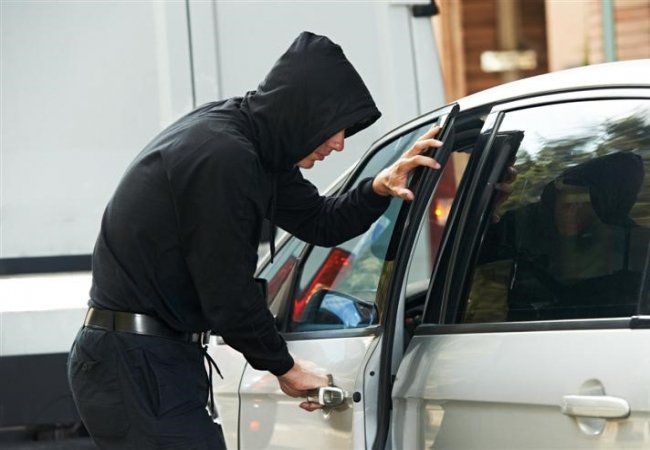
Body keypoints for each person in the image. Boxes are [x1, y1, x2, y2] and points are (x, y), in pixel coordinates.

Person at [67, 32, 443, 449]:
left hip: (152, 359)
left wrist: (377, 187)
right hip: (136, 362)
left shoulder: (257, 148)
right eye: (335, 127)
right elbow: (227, 292)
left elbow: (321, 222)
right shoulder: (224, 156)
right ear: (302, 113)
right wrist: (284, 366)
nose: (339, 144)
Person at [466, 151, 648, 322]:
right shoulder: (523, 228)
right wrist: (486, 214)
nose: (571, 212)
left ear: (604, 208)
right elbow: (465, 254)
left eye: (582, 202)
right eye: (566, 201)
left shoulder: (635, 248)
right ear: (553, 199)